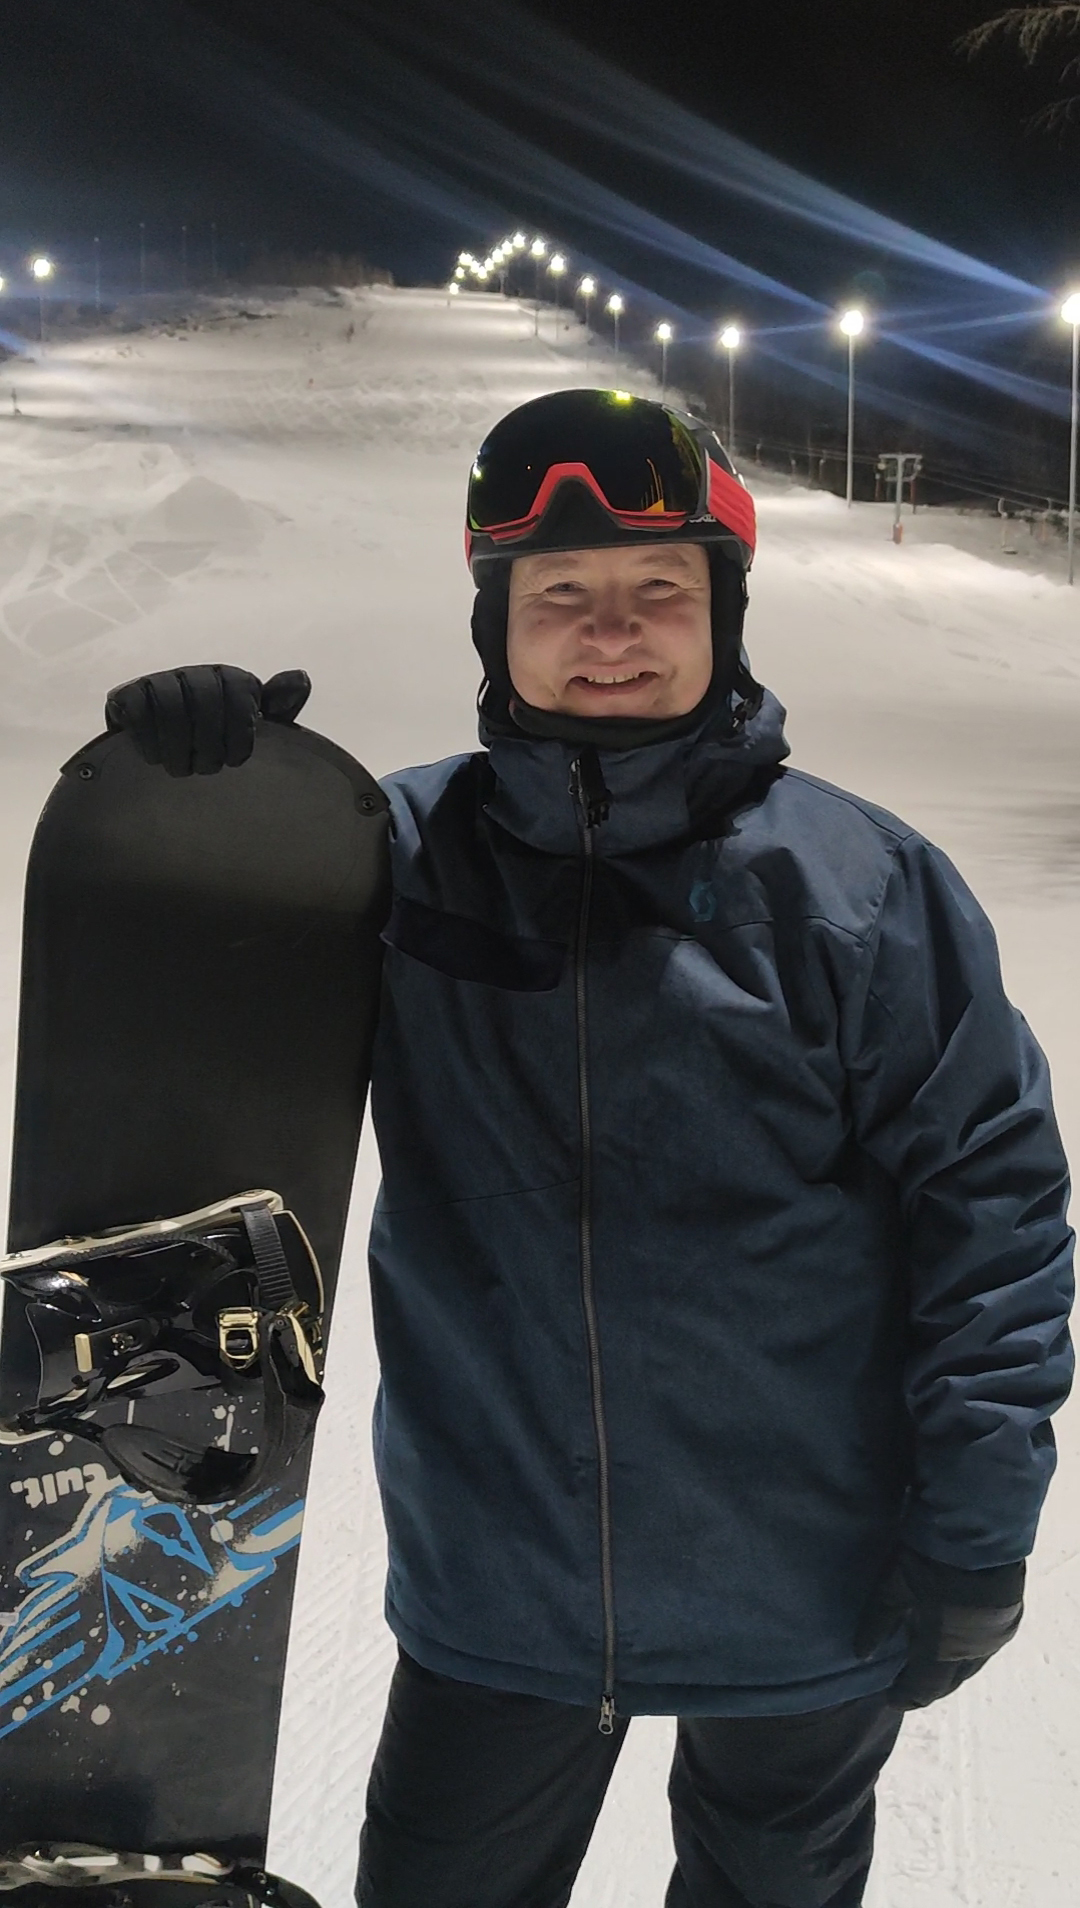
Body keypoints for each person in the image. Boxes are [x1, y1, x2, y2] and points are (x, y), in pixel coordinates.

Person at [105, 388, 1074, 1908]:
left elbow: (997, 1217)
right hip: (501, 1587)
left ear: (723, 616)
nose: (610, 632)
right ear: (495, 622)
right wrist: (208, 799)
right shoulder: (394, 862)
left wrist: (976, 1526)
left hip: (807, 1582)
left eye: (658, 590)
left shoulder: (862, 891)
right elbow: (197, 1015)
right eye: (558, 592)